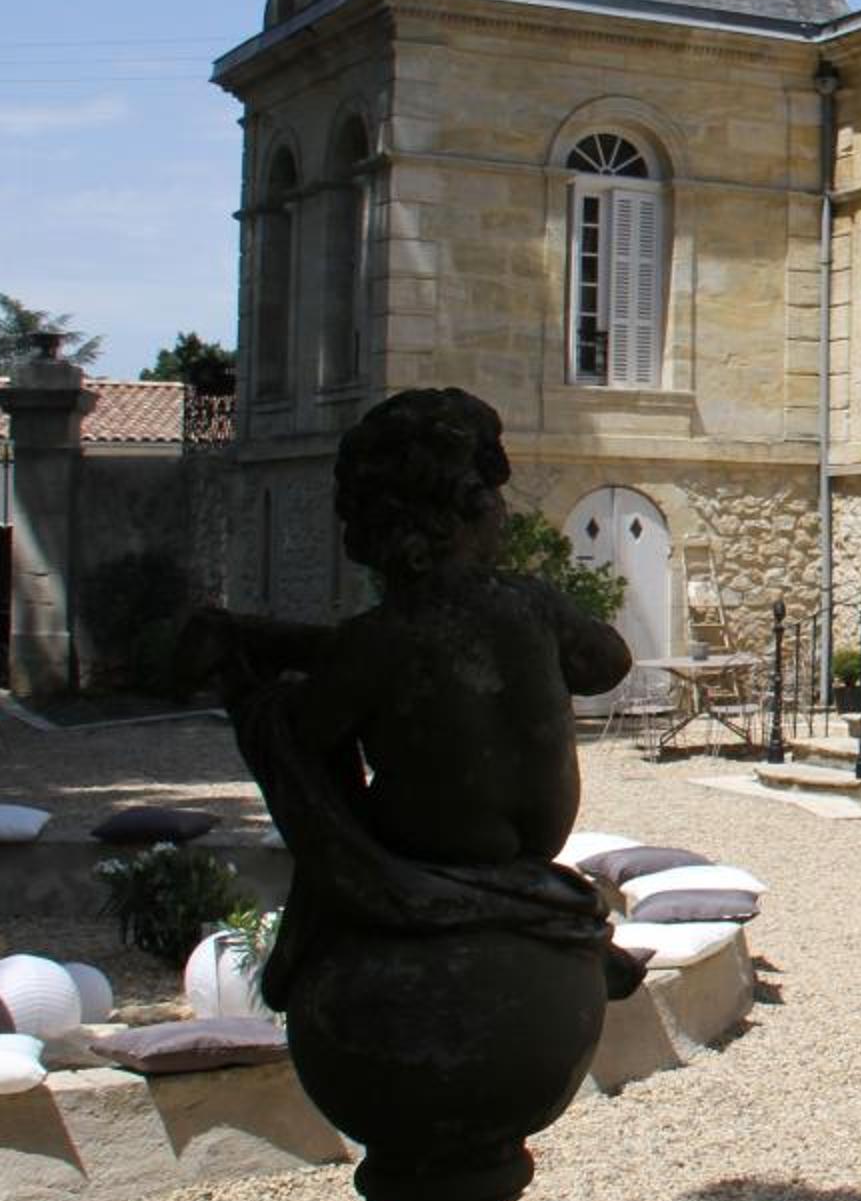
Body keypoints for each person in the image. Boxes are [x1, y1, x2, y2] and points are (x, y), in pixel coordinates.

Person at [178, 387, 640, 1008]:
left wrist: (242, 674)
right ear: (475, 508)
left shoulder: (379, 641)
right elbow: (607, 664)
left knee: (282, 726)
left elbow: (316, 728)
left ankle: (306, 944)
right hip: (536, 854)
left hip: (427, 861)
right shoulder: (531, 605)